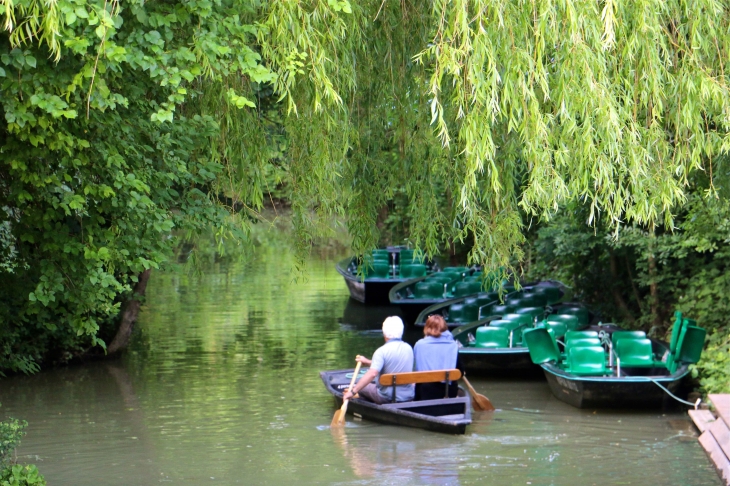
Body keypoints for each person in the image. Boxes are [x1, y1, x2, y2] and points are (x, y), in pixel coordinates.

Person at [342, 316, 415, 404]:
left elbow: (372, 374)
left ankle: (362, 402)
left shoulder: (381, 351)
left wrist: (353, 391)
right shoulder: (409, 348)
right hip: (408, 396)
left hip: (387, 398)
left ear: (384, 334)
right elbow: (391, 363)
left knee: (362, 386)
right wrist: (369, 362)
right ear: (402, 331)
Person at [413, 314, 460, 400]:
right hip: (448, 392)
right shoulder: (453, 345)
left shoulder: (419, 344)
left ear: (427, 328)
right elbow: (460, 370)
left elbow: (415, 368)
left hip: (426, 392)